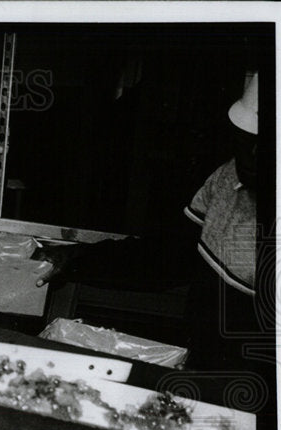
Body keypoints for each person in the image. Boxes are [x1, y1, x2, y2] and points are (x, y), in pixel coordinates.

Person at [34, 72, 263, 375]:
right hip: (201, 374)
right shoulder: (226, 180)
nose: (249, 155)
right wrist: (76, 259)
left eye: (264, 144)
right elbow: (166, 258)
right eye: (245, 139)